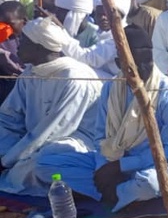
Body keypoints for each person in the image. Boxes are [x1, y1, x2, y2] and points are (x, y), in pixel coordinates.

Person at [38, 25, 168, 212]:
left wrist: (122, 166)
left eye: (148, 61)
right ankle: (118, 192)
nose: (143, 69)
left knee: (150, 184)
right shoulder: (110, 89)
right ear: (120, 63)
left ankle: (109, 193)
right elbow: (100, 137)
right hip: (113, 161)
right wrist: (105, 166)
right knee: (44, 163)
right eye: (135, 64)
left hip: (153, 165)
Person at [0, 18, 101, 196]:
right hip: (33, 140)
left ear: (39, 47)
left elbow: (56, 130)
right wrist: (5, 150)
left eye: (24, 41)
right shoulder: (31, 72)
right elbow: (9, 117)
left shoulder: (75, 78)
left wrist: (8, 159)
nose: (17, 45)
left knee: (41, 162)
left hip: (75, 140)